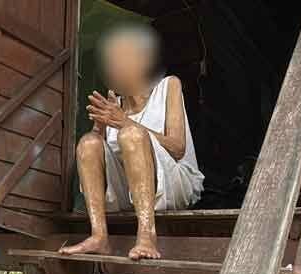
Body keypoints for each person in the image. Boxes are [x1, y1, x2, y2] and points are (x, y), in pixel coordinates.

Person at [60, 24, 204, 260]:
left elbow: (178, 148)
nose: (113, 67)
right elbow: (98, 155)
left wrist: (123, 121)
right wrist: (99, 127)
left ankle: (147, 235)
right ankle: (99, 236)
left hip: (175, 181)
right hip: (129, 191)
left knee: (131, 134)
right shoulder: (113, 103)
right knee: (88, 142)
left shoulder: (168, 86)